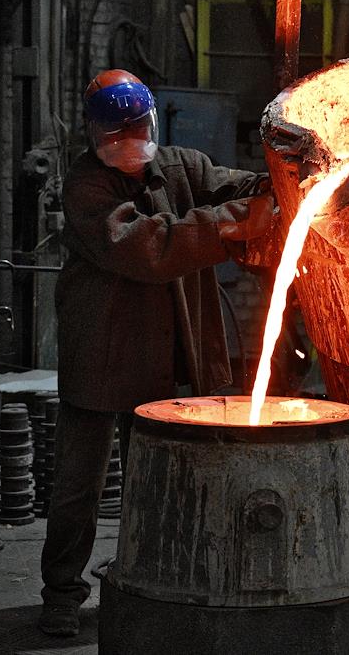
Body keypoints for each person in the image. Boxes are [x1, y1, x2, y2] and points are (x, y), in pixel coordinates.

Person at [38, 69, 275, 637]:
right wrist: (235, 223)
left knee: (159, 480)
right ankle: (62, 593)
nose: (128, 141)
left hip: (166, 351)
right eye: (114, 134)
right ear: (94, 136)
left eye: (136, 129)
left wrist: (285, 183)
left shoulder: (183, 167)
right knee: (79, 486)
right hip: (102, 349)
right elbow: (148, 246)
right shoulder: (86, 187)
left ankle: (153, 580)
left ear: (151, 123)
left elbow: (239, 186)